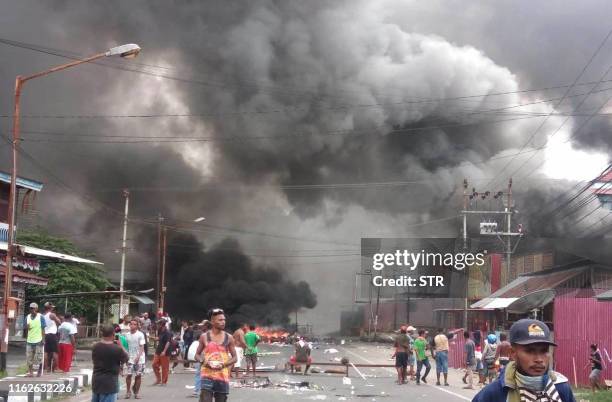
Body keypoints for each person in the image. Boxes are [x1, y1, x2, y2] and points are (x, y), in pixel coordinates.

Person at [472, 319, 576, 402]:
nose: (539, 359)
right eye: (530, 351)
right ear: (512, 353)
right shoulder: (495, 393)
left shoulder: (561, 388)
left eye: (544, 351)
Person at [196, 308, 237, 402]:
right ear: (212, 321)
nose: (223, 322)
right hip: (207, 375)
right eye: (220, 320)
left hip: (222, 377)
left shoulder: (229, 337)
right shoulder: (204, 336)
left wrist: (223, 364)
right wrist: (204, 361)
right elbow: (197, 355)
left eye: (224, 320)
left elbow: (235, 358)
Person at [92, 325, 128, 402]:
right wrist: (121, 346)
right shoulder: (117, 349)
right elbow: (126, 358)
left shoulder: (95, 347)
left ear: (102, 334)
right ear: (113, 334)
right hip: (110, 383)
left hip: (96, 381)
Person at [123, 318, 146, 399]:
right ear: (129, 325)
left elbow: (142, 347)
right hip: (130, 358)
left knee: (138, 375)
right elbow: (125, 346)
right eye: (131, 324)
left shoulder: (140, 334)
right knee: (129, 375)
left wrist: (138, 357)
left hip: (139, 358)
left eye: (134, 324)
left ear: (137, 326)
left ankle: (136, 392)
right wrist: (125, 356)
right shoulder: (126, 335)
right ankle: (128, 391)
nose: (132, 325)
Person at [24, 302, 46, 377]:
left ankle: (39, 370)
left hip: (38, 340)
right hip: (30, 340)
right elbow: (26, 329)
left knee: (39, 357)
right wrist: (27, 329)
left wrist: (43, 339)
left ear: (37, 309)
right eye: (31, 308)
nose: (32, 309)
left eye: (33, 308)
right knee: (29, 357)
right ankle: (31, 372)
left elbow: (43, 329)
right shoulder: (27, 317)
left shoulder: (41, 317)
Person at [152, 319, 172, 386]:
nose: (157, 325)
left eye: (158, 324)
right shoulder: (160, 331)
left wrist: (164, 351)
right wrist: (154, 338)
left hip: (165, 351)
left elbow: (168, 342)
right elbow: (159, 338)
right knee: (154, 364)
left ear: (161, 325)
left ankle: (164, 381)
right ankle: (158, 379)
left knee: (164, 367)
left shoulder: (168, 332)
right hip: (158, 350)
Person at [42, 302, 61, 373]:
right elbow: (59, 322)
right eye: (52, 307)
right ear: (50, 308)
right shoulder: (52, 314)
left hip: (46, 335)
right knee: (55, 352)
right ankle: (56, 368)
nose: (53, 308)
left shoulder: (42, 316)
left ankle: (46, 368)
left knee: (46, 352)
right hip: (52, 335)